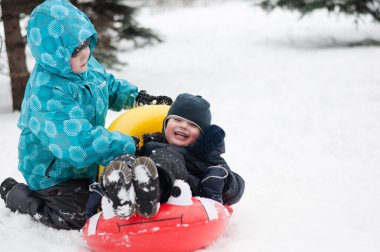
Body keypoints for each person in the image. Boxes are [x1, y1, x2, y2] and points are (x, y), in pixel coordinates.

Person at [0, 0, 171, 230]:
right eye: (74, 50)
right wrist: (124, 143)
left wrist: (136, 98)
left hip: (85, 163)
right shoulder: (47, 94)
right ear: (54, 55)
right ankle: (16, 195)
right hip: (52, 174)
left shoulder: (83, 64)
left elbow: (106, 85)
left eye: (85, 42)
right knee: (81, 214)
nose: (85, 53)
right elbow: (77, 144)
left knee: (112, 189)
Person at [94, 93, 245, 219]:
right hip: (139, 184)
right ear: (166, 123)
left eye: (193, 125)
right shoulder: (149, 144)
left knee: (167, 157)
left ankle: (149, 189)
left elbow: (236, 187)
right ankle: (117, 191)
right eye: (177, 119)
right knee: (127, 158)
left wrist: (225, 182)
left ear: (201, 135)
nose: (183, 126)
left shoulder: (205, 155)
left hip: (181, 192)